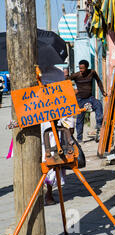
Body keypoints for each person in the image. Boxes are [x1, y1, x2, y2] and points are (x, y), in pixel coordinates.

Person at [40, 65, 76, 205]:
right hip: (34, 124)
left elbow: (65, 99)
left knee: (52, 158)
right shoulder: (27, 72)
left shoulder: (57, 73)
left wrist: (69, 124)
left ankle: (49, 193)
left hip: (52, 125)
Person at [67, 60, 106, 143]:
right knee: (80, 118)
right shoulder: (76, 75)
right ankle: (79, 138)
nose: (81, 70)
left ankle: (99, 124)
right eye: (80, 68)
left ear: (87, 67)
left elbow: (98, 81)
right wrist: (73, 90)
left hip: (90, 97)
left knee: (98, 104)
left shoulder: (92, 72)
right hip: (80, 99)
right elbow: (65, 81)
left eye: (82, 68)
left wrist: (103, 92)